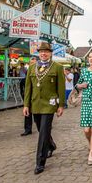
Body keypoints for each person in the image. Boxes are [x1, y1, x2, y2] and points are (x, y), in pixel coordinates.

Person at [23, 42, 65, 175]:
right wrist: (26, 105)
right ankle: (51, 145)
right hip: (35, 104)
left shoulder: (57, 67)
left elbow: (61, 88)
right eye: (41, 51)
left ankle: (40, 162)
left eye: (46, 51)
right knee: (41, 129)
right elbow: (28, 88)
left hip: (49, 104)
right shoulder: (32, 67)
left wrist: (61, 105)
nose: (43, 53)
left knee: (43, 132)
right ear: (38, 53)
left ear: (50, 53)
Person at [20, 57, 37, 136]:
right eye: (31, 63)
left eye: (34, 63)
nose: (32, 64)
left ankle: (45, 126)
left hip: (38, 96)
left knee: (39, 113)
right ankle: (27, 129)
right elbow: (24, 86)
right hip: (29, 96)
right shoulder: (28, 72)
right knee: (27, 113)